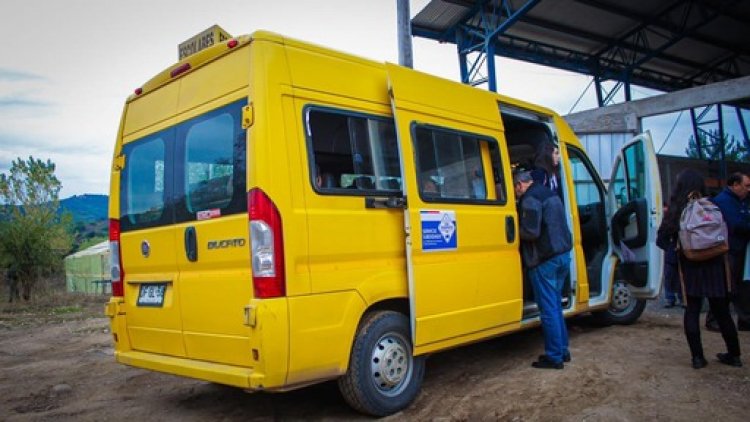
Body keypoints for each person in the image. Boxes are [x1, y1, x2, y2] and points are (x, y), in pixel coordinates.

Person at [656, 169, 742, 369]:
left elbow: (661, 240)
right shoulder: (713, 205)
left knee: (692, 310)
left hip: (690, 266)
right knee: (722, 311)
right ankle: (734, 355)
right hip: (716, 265)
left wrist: (678, 247)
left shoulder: (677, 210)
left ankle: (697, 358)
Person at [514, 169, 572, 369]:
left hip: (545, 260)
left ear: (520, 185)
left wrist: (511, 230)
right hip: (563, 256)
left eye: (516, 189)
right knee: (555, 307)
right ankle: (563, 350)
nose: (516, 193)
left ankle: (554, 357)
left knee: (548, 310)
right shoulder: (549, 193)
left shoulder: (529, 199)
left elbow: (531, 232)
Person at [708, 172, 750, 331]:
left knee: (738, 287)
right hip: (729, 250)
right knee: (727, 286)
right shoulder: (725, 201)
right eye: (746, 186)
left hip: (737, 249)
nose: (748, 189)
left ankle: (743, 319)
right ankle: (714, 319)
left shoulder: (739, 201)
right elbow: (737, 225)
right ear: (735, 185)